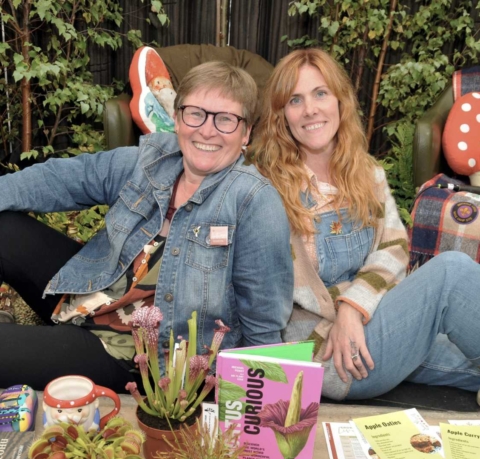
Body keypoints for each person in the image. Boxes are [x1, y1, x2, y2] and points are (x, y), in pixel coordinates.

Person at [0, 61, 293, 392]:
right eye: (196, 113)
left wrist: (253, 407)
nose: (207, 130)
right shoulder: (152, 161)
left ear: (246, 134)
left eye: (225, 119)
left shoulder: (254, 202)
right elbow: (62, 179)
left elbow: (264, 325)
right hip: (90, 292)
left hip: (132, 352)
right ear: (178, 118)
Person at [252, 48, 480, 402]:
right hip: (324, 352)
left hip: (368, 320)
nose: (310, 109)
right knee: (451, 273)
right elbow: (264, 295)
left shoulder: (366, 172)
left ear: (340, 102)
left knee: (468, 361)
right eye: (295, 100)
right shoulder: (266, 188)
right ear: (282, 115)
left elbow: (394, 247)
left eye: (320, 93)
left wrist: (352, 308)